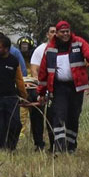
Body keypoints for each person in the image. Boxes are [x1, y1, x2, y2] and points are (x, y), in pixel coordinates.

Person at [37, 21, 89, 153]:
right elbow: (43, 73)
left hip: (76, 88)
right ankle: (59, 148)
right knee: (58, 116)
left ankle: (71, 147)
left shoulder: (79, 43)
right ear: (57, 33)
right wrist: (41, 93)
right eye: (62, 32)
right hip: (58, 88)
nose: (66, 34)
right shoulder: (49, 49)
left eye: (67, 31)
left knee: (73, 117)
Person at [29, 24, 57, 152]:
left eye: (57, 32)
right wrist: (41, 88)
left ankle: (55, 145)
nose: (55, 34)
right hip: (41, 87)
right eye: (52, 32)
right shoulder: (40, 50)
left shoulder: (64, 49)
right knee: (37, 115)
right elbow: (34, 70)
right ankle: (38, 143)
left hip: (57, 89)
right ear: (47, 34)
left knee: (53, 117)